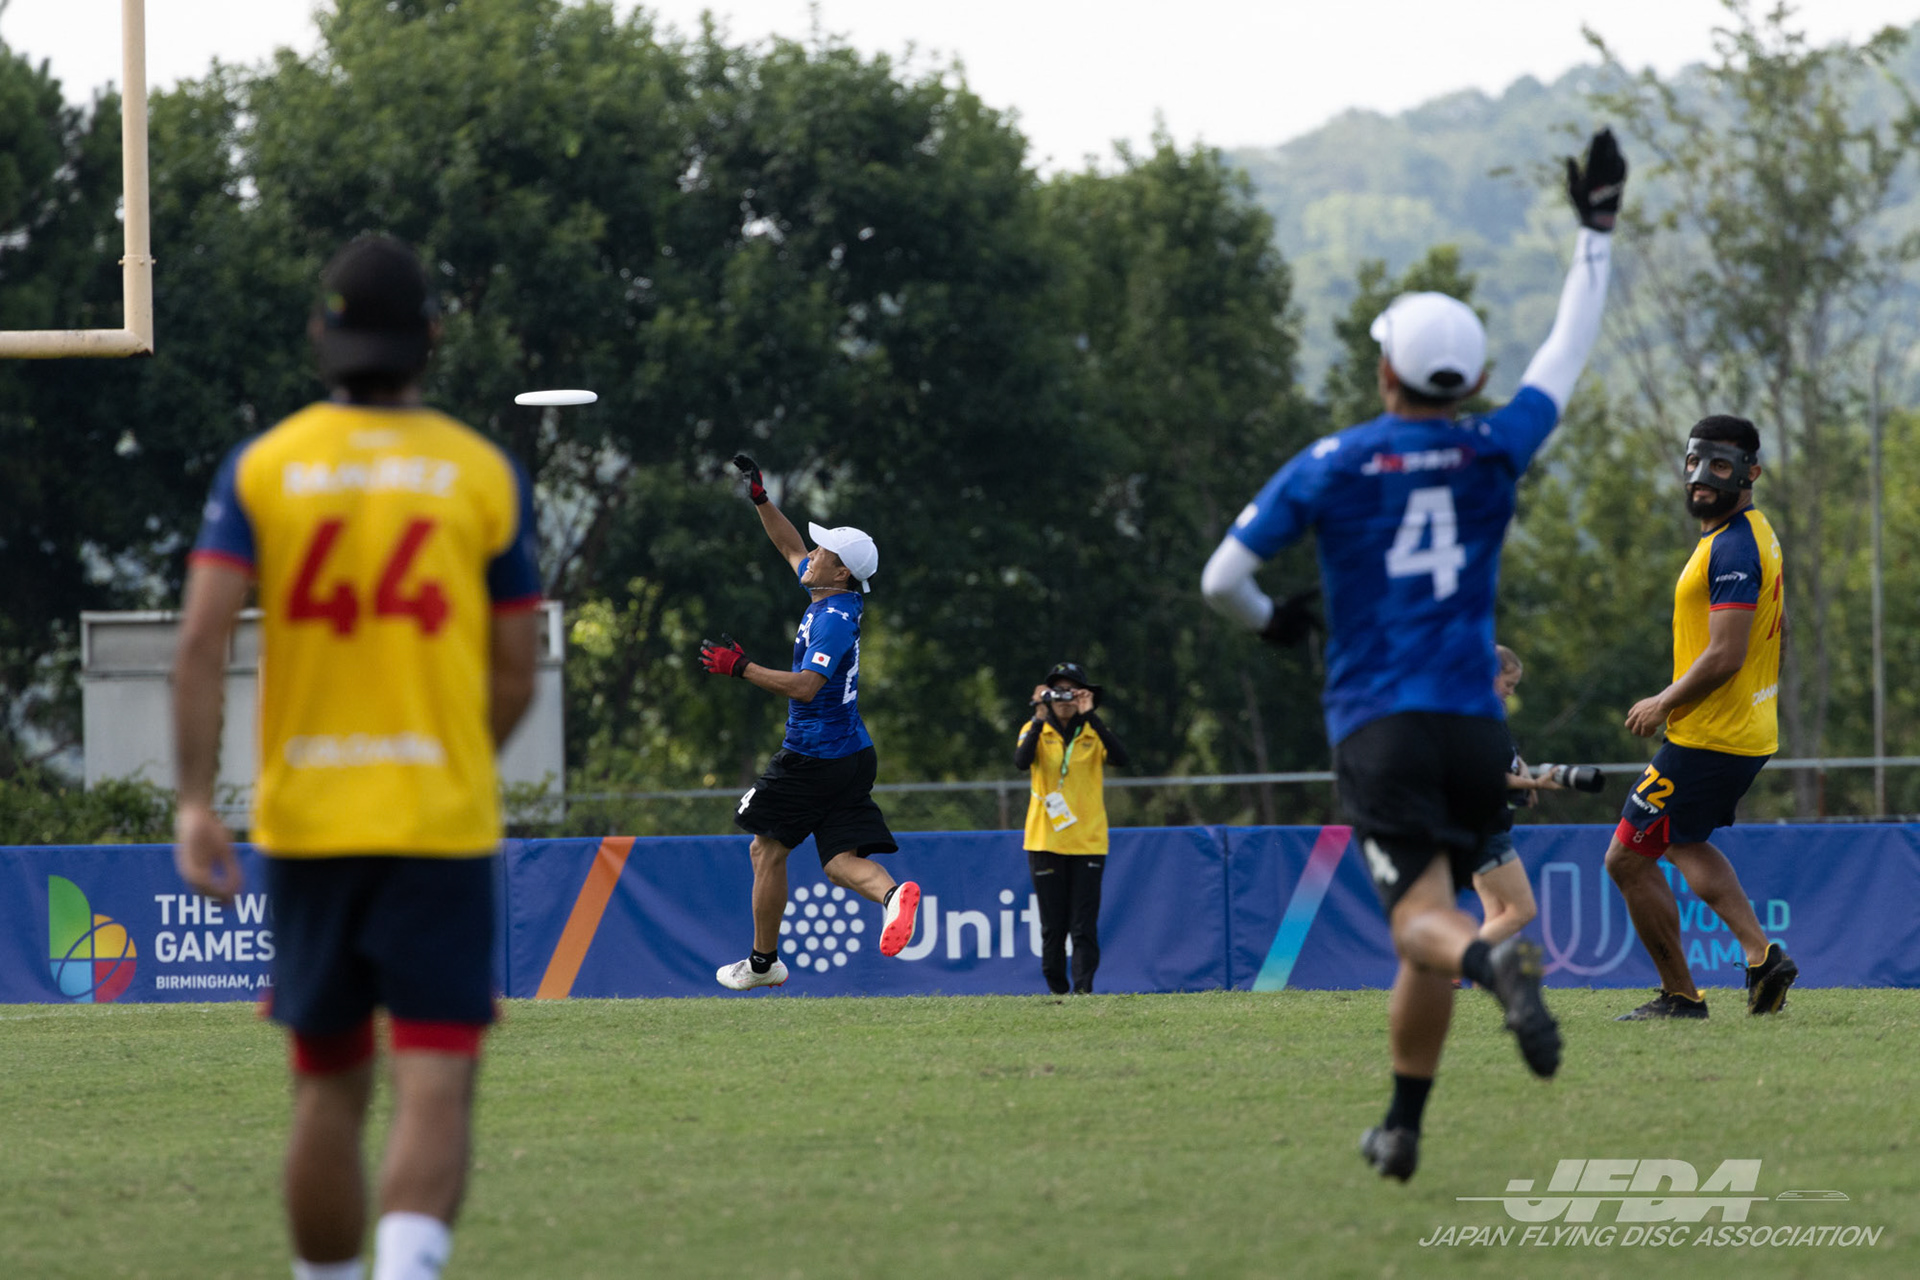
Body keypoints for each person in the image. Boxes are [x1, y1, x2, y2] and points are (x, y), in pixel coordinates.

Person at [1200, 129, 1626, 1182]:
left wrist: (1274, 621)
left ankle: (1496, 963)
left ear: (1384, 368)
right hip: (1476, 727)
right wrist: (1596, 233)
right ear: (1471, 376)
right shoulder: (1493, 446)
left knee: (1429, 927)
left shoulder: (1333, 461)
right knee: (1429, 921)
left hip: (1383, 726)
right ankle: (1402, 1127)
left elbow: (1221, 580)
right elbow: (1564, 355)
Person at [171, 235, 542, 1280]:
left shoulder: (264, 466)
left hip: (310, 824)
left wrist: (194, 801)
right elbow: (517, 670)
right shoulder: (483, 472)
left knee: (328, 1084)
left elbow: (201, 640)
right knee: (436, 1077)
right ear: (432, 336)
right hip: (437, 824)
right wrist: (455, 759)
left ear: (319, 336)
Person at [701, 453, 920, 989]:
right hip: (851, 755)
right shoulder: (829, 590)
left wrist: (742, 667)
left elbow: (806, 686)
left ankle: (763, 964)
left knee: (765, 849)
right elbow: (788, 546)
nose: (812, 553)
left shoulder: (834, 621)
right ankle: (894, 895)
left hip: (813, 756)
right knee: (840, 861)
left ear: (841, 571)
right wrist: (760, 498)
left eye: (823, 551)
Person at [1606, 415, 1798, 1020]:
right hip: (1739, 732)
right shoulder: (1752, 533)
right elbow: (1771, 632)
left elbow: (1726, 654)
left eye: (1719, 465)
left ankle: (1681, 997)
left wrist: (1663, 701)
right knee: (1683, 841)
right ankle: (1761, 957)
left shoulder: (1735, 545)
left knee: (1626, 860)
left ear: (1750, 473)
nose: (1701, 477)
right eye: (1694, 463)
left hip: (1710, 737)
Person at [1014, 661, 1130, 994]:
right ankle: (1056, 988)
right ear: (1047, 695)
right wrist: (1039, 716)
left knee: (1083, 924)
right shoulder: (1034, 728)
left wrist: (1090, 714)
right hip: (1045, 841)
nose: (1064, 699)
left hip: (1088, 841)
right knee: (1053, 925)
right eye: (1058, 691)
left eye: (1071, 691)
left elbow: (1121, 758)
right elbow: (1021, 761)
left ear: (1083, 694)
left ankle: (1083, 989)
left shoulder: (1093, 731)